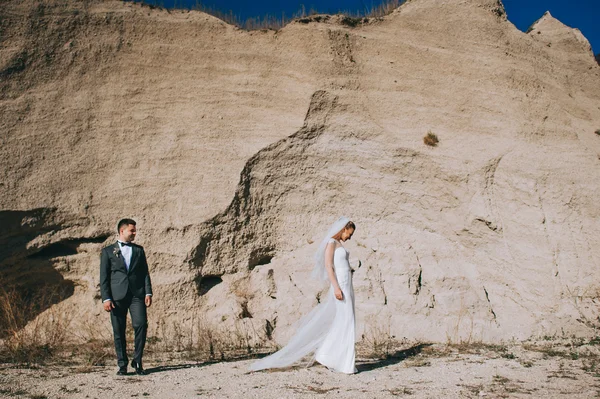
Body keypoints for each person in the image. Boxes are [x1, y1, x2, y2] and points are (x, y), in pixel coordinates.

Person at [249, 217, 358, 374]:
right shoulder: (331, 243)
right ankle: (335, 359)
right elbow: (328, 266)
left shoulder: (340, 244)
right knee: (345, 320)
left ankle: (332, 357)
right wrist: (336, 287)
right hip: (340, 286)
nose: (350, 237)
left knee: (346, 320)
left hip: (348, 285)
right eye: (350, 233)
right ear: (343, 229)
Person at [100, 218, 153, 376]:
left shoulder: (139, 250)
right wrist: (106, 298)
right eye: (132, 230)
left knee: (141, 324)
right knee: (119, 330)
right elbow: (104, 277)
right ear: (122, 231)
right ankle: (122, 364)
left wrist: (148, 292)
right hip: (116, 297)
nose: (135, 233)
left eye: (135, 230)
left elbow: (144, 273)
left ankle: (137, 361)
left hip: (137, 295)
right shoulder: (108, 251)